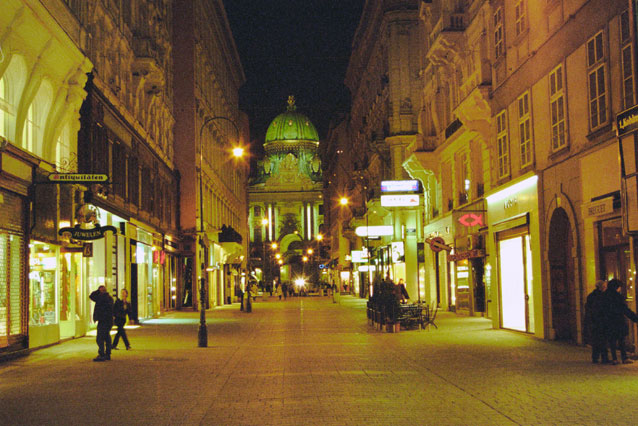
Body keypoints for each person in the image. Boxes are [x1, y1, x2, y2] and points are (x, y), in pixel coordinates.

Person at [604, 278, 638, 365]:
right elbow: (624, 309)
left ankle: (614, 359)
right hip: (618, 320)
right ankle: (624, 358)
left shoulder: (604, 296)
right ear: (617, 287)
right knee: (621, 339)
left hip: (608, 321)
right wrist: (635, 318)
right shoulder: (617, 297)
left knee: (612, 340)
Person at [584, 280, 608, 364]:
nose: (605, 288)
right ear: (601, 287)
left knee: (596, 340)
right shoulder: (602, 296)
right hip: (601, 320)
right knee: (603, 340)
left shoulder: (591, 296)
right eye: (604, 287)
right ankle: (604, 358)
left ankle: (595, 357)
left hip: (593, 321)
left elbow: (588, 308)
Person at [89, 285, 114, 362]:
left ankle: (102, 354)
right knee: (107, 337)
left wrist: (98, 291)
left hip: (102, 321)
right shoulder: (109, 298)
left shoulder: (100, 297)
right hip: (108, 320)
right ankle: (108, 354)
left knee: (100, 338)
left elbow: (91, 296)